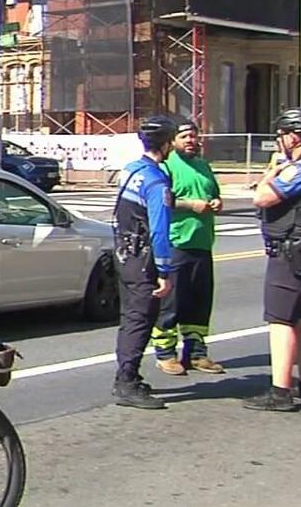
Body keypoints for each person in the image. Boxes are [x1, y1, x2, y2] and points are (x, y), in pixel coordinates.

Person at [245, 108, 301, 412]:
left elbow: (262, 197)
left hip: (294, 251)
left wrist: (271, 171)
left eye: (282, 135)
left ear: (293, 136)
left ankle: (280, 392)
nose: (279, 141)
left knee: (280, 320)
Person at [151, 119, 226, 376]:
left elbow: (214, 193)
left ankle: (196, 353)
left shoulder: (203, 166)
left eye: (194, 136)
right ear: (173, 141)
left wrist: (215, 202)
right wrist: (191, 205)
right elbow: (163, 201)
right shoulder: (166, 167)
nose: (191, 140)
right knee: (172, 302)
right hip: (176, 243)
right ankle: (165, 353)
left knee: (199, 302)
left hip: (202, 243)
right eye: (185, 136)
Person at [112, 116, 178, 410]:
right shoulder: (155, 180)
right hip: (143, 258)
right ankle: (126, 381)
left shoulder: (131, 170)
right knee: (140, 319)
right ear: (166, 144)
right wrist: (164, 270)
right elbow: (160, 229)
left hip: (123, 253)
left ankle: (127, 376)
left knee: (129, 317)